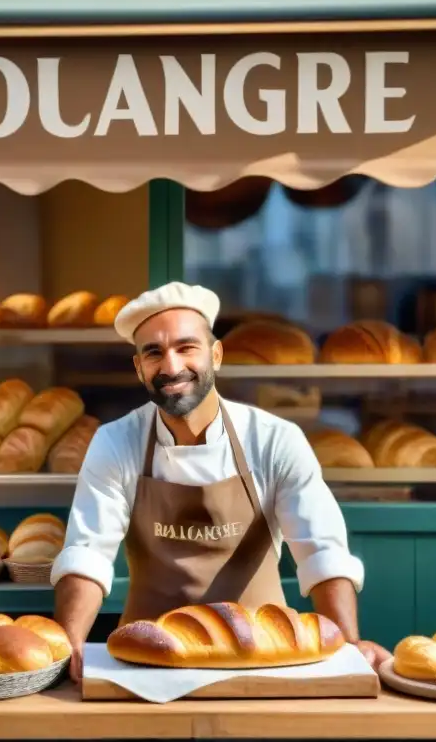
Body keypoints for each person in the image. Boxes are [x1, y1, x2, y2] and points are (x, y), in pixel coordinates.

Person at [52, 282, 389, 681]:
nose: (172, 367)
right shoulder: (116, 442)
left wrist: (348, 644)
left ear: (216, 355)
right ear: (138, 368)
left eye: (186, 347)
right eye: (154, 352)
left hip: (265, 656)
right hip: (150, 662)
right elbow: (87, 552)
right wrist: (68, 645)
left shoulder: (273, 439)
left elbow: (321, 551)